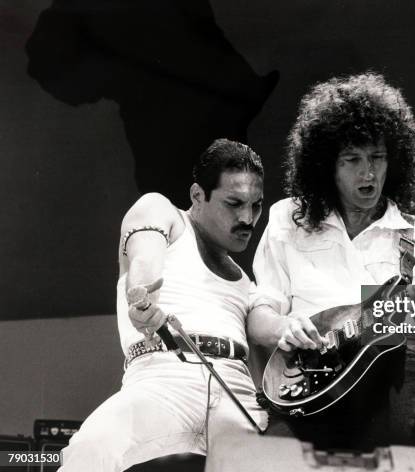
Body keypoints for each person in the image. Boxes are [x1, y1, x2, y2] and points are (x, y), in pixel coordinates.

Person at [248, 73, 415, 450]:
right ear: (326, 166)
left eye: (378, 157)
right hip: (313, 388)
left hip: (403, 391)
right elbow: (259, 317)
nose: (368, 173)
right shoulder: (288, 220)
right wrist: (286, 328)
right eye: (352, 159)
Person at [59, 138, 268, 471]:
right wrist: (142, 295)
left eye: (256, 205)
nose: (248, 218)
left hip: (236, 389)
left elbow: (270, 327)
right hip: (165, 381)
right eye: (234, 203)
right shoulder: (162, 211)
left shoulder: (246, 281)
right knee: (92, 449)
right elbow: (145, 255)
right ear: (198, 195)